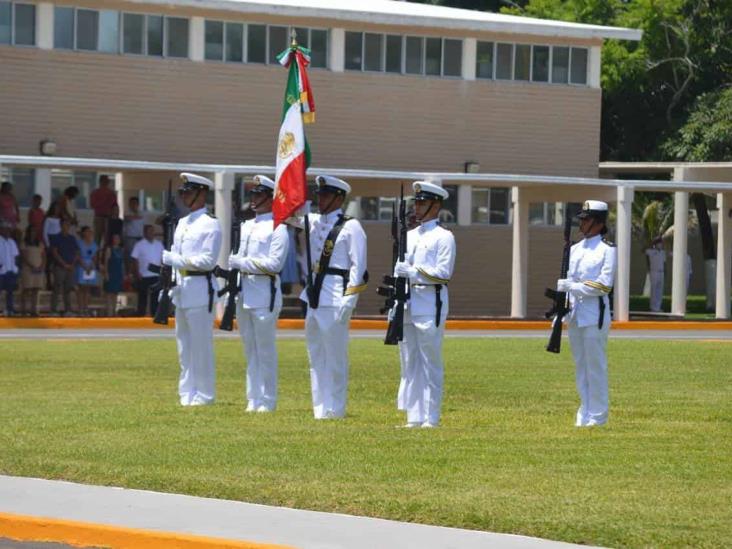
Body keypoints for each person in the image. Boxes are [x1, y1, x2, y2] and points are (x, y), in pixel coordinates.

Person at [301, 175, 368, 420]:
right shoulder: (313, 221)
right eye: (319, 194)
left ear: (339, 198)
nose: (321, 199)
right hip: (314, 294)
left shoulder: (351, 227)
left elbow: (358, 266)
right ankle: (320, 408)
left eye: (326, 195)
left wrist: (350, 299)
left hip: (335, 294)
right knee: (315, 353)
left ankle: (336, 408)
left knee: (336, 356)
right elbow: (285, 216)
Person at [392, 181, 456, 428]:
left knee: (430, 360)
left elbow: (443, 273)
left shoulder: (444, 237)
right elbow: (400, 272)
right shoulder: (409, 236)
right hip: (408, 304)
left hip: (430, 301)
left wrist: (414, 272)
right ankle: (414, 416)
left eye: (421, 202)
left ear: (435, 205)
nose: (416, 207)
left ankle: (431, 417)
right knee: (410, 361)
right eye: (416, 202)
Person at [227, 175, 289, 412]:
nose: (253, 198)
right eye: (252, 194)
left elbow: (274, 264)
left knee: (265, 349)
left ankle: (268, 400)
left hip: (264, 292)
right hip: (244, 293)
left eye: (257, 194)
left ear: (269, 198)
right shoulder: (246, 226)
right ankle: (253, 398)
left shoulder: (278, 228)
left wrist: (242, 263)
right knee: (249, 348)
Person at [161, 173, 222, 406]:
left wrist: (175, 260)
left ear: (201, 194)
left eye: (188, 192)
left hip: (199, 288)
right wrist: (170, 283)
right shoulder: (182, 223)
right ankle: (186, 393)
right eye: (183, 192)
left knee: (201, 347)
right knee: (183, 347)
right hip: (182, 290)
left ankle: (204, 395)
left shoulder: (211, 223)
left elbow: (207, 260)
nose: (184, 196)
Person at [556, 200, 617, 427]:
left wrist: (572, 287)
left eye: (586, 219)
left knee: (595, 365)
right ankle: (585, 411)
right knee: (581, 365)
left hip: (595, 314)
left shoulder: (607, 250)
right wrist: (563, 306)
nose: (581, 223)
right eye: (581, 219)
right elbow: (569, 278)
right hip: (576, 314)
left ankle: (598, 416)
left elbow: (603, 285)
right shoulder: (574, 249)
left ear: (599, 224)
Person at [130, 224, 164, 316]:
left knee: (155, 297)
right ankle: (141, 316)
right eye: (149, 231)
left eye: (152, 231)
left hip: (156, 274)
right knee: (142, 297)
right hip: (143, 275)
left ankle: (155, 315)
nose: (151, 233)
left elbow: (162, 258)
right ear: (145, 233)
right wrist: (137, 272)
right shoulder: (139, 244)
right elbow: (134, 259)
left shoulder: (159, 244)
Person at [49, 219, 79, 315]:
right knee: (57, 288)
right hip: (59, 266)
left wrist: (72, 264)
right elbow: (55, 252)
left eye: (68, 225)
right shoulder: (56, 237)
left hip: (70, 267)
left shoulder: (72, 238)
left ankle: (68, 309)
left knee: (68, 289)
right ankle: (53, 309)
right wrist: (63, 264)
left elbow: (77, 252)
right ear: (61, 226)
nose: (67, 226)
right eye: (65, 224)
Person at [20, 225, 46, 316]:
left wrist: (42, 266)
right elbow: (23, 256)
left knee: (36, 289)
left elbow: (43, 255)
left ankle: (33, 310)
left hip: (38, 269)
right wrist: (31, 266)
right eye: (31, 231)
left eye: (35, 231)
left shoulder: (39, 243)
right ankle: (23, 310)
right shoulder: (24, 243)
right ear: (28, 232)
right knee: (26, 289)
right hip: (28, 269)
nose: (33, 233)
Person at [75, 226, 99, 316]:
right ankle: (80, 309)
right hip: (82, 266)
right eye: (87, 231)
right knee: (81, 288)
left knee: (87, 289)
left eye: (90, 231)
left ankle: (86, 308)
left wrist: (91, 266)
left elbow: (95, 257)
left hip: (91, 267)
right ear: (83, 233)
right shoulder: (79, 243)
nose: (89, 233)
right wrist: (84, 266)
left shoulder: (94, 244)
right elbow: (77, 256)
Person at [101, 233, 125, 316]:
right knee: (109, 293)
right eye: (115, 238)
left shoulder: (121, 250)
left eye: (118, 238)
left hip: (118, 273)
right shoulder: (109, 249)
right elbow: (106, 262)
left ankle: (115, 311)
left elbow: (122, 263)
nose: (116, 240)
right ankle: (108, 312)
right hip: (111, 272)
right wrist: (106, 273)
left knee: (116, 293)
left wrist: (123, 274)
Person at [90, 175, 117, 243]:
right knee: (97, 238)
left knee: (108, 238)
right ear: (100, 182)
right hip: (99, 217)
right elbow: (92, 205)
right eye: (104, 181)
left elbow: (115, 206)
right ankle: (97, 253)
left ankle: (105, 253)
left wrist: (115, 216)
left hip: (109, 217)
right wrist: (104, 200)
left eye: (107, 181)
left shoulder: (111, 193)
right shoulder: (95, 192)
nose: (106, 183)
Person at [0, 222, 20, 315]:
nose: (7, 231)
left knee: (10, 292)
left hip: (11, 271)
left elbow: (15, 256)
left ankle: (10, 309)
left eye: (8, 229)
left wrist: (16, 269)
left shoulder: (12, 242)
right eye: (5, 229)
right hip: (1, 271)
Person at [645, 237, 665, 312]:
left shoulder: (662, 253)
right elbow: (643, 250)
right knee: (654, 290)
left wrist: (665, 273)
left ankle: (658, 307)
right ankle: (653, 307)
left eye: (661, 243)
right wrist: (652, 243)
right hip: (654, 272)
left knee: (660, 290)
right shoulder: (650, 251)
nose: (660, 245)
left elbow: (664, 263)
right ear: (655, 244)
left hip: (661, 272)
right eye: (658, 243)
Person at [123, 196, 144, 262]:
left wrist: (136, 216)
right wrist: (136, 216)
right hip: (130, 238)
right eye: (132, 203)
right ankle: (129, 271)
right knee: (130, 256)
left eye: (135, 203)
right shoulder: (127, 212)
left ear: (138, 204)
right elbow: (127, 218)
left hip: (140, 237)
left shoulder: (141, 212)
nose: (133, 205)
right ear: (129, 204)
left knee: (139, 256)